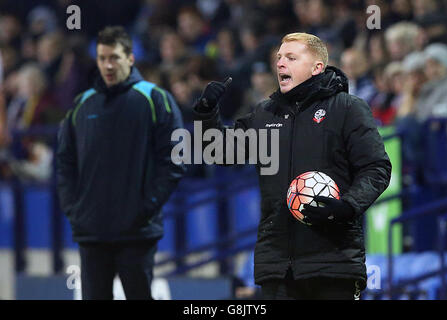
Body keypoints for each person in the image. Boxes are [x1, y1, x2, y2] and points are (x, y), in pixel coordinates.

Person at [193, 32, 391, 300]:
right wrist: (206, 113)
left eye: (291, 57)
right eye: (278, 58)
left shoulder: (347, 108)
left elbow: (376, 168)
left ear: (316, 67)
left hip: (333, 261)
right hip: (277, 266)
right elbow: (218, 151)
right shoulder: (265, 114)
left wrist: (348, 205)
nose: (280, 64)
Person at [56, 26, 185, 300]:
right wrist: (74, 209)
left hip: (136, 232)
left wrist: (145, 207)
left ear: (130, 58)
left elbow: (175, 159)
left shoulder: (156, 99)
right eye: (102, 58)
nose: (107, 65)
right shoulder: (82, 104)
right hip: (92, 232)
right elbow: (65, 163)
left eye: (114, 57)